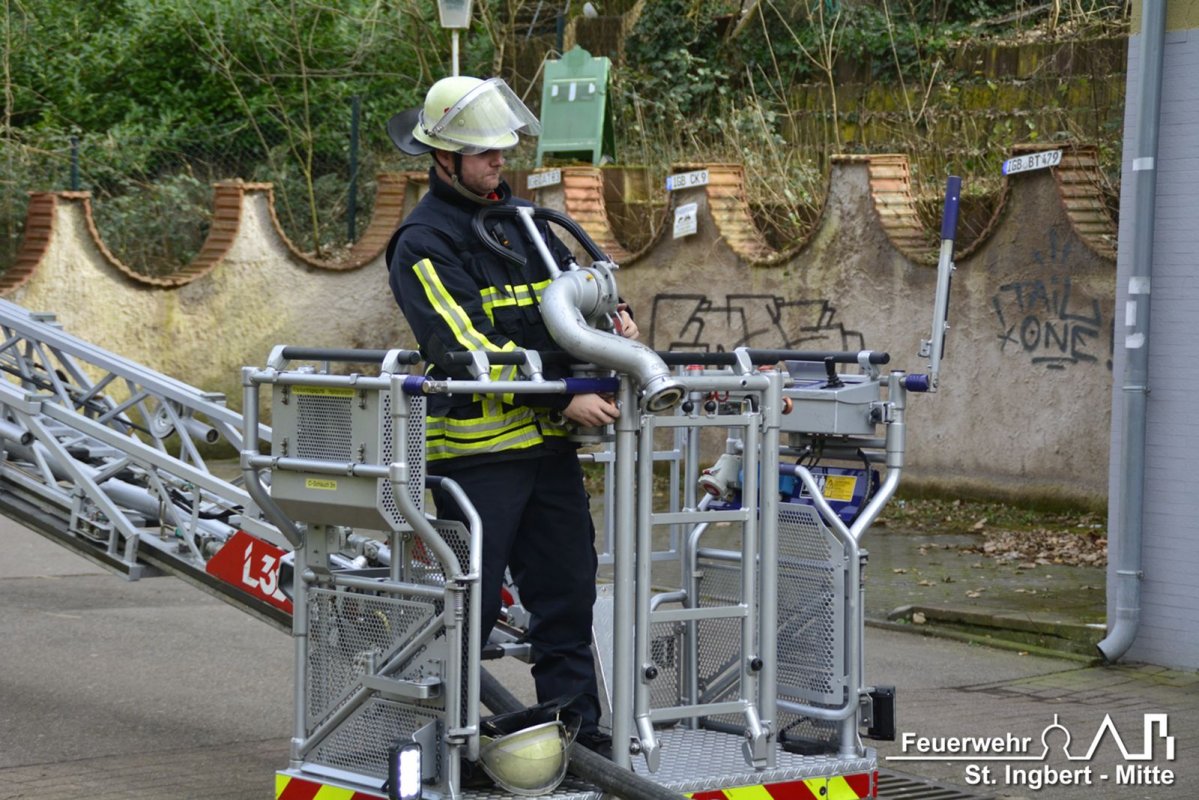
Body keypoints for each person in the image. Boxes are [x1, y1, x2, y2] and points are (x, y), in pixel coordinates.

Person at [384, 75, 637, 756]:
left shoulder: (526, 223)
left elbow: (573, 303)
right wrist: (564, 393)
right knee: (465, 606)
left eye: (503, 149)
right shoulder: (422, 240)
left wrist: (613, 325)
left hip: (546, 451)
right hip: (474, 461)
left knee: (566, 595)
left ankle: (575, 732)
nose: (500, 161)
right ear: (442, 158)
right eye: (483, 152)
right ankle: (456, 746)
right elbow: (462, 350)